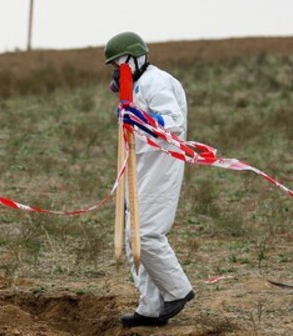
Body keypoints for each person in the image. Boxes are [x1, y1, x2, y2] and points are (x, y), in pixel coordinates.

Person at [104, 32, 195, 327]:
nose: (116, 73)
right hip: (140, 164)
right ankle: (150, 307)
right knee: (134, 236)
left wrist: (139, 118)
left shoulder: (157, 82)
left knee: (145, 234)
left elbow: (174, 121)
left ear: (133, 59)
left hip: (162, 164)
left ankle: (177, 290)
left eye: (118, 67)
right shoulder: (138, 86)